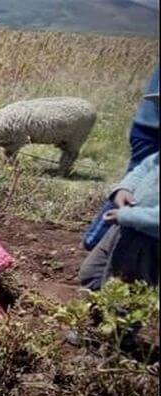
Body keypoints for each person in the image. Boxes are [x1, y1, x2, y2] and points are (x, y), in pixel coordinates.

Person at [79, 93, 159, 291]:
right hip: (124, 229)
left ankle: (119, 320)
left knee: (124, 292)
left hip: (149, 240)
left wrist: (126, 215)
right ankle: (94, 314)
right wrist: (124, 188)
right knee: (92, 274)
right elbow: (143, 168)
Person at [82, 64, 159, 251]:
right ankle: (100, 243)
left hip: (149, 122)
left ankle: (102, 242)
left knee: (142, 188)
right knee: (137, 189)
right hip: (151, 126)